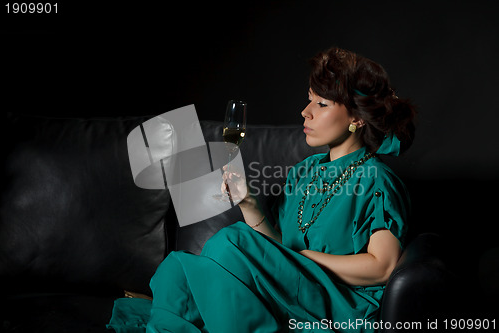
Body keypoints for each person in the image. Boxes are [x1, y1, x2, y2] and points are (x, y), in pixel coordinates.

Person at [107, 46, 416, 332]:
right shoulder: (304, 172)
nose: (305, 112)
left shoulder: (376, 180)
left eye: (321, 104)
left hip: (338, 304)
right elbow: (276, 252)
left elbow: (382, 267)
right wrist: (248, 203)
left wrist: (303, 257)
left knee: (231, 240)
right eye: (309, 99)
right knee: (176, 269)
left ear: (357, 118)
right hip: (289, 289)